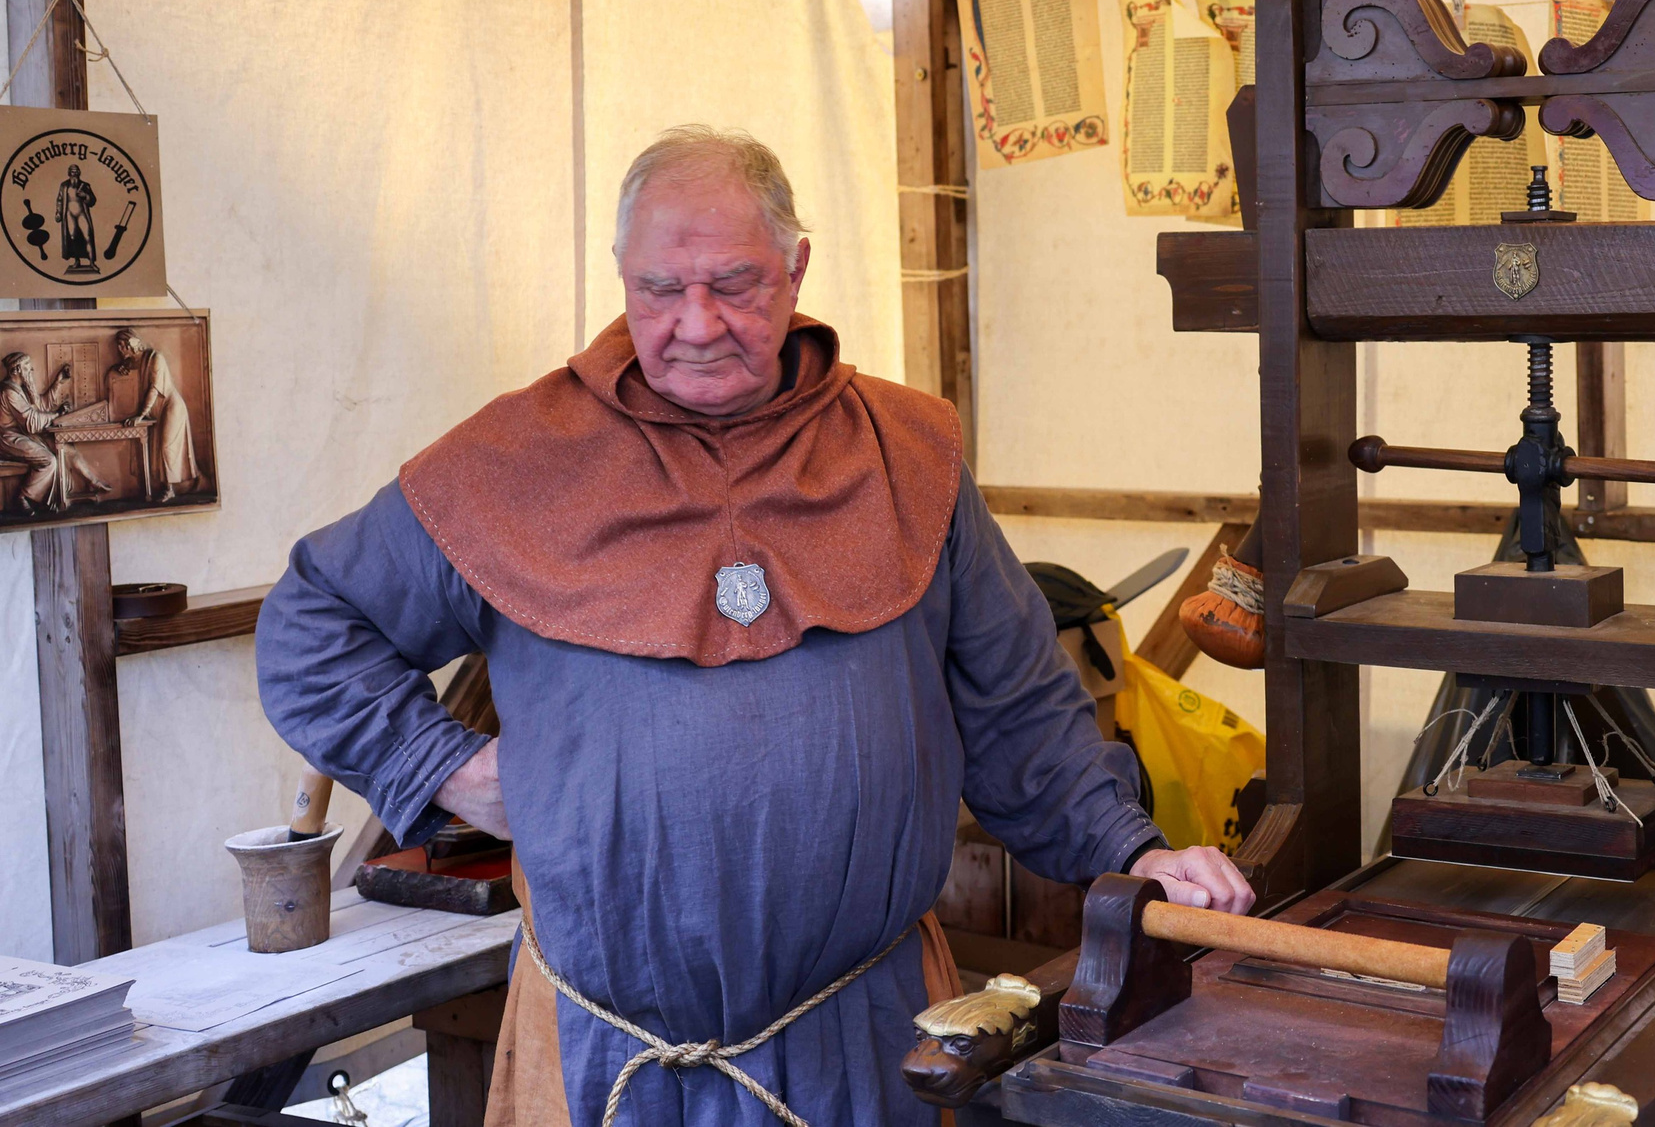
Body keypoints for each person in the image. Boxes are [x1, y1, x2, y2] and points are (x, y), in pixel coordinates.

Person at [259, 126, 1250, 1127]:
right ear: (620, 275)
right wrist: (447, 766)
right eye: (659, 289)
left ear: (795, 270)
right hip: (605, 1052)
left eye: (734, 284)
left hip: (866, 1039)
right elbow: (311, 624)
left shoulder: (906, 454)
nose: (697, 323)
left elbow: (1022, 705)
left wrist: (1131, 848)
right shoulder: (511, 459)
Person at [0, 351, 106, 510]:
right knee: (49, 460)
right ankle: (23, 496)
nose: (31, 370)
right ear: (16, 370)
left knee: (65, 449)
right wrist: (56, 415)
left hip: (22, 435)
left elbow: (40, 406)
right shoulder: (9, 392)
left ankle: (92, 483)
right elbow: (32, 421)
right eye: (27, 367)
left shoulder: (18, 388)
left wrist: (58, 383)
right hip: (8, 439)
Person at [113, 327, 196, 502]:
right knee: (158, 449)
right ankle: (173, 486)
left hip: (171, 407)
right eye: (118, 346)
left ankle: (170, 489)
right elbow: (129, 367)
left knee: (166, 448)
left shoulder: (155, 358)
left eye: (122, 345)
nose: (120, 350)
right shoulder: (138, 360)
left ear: (132, 344)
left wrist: (140, 416)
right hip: (158, 410)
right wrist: (121, 366)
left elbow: (153, 389)